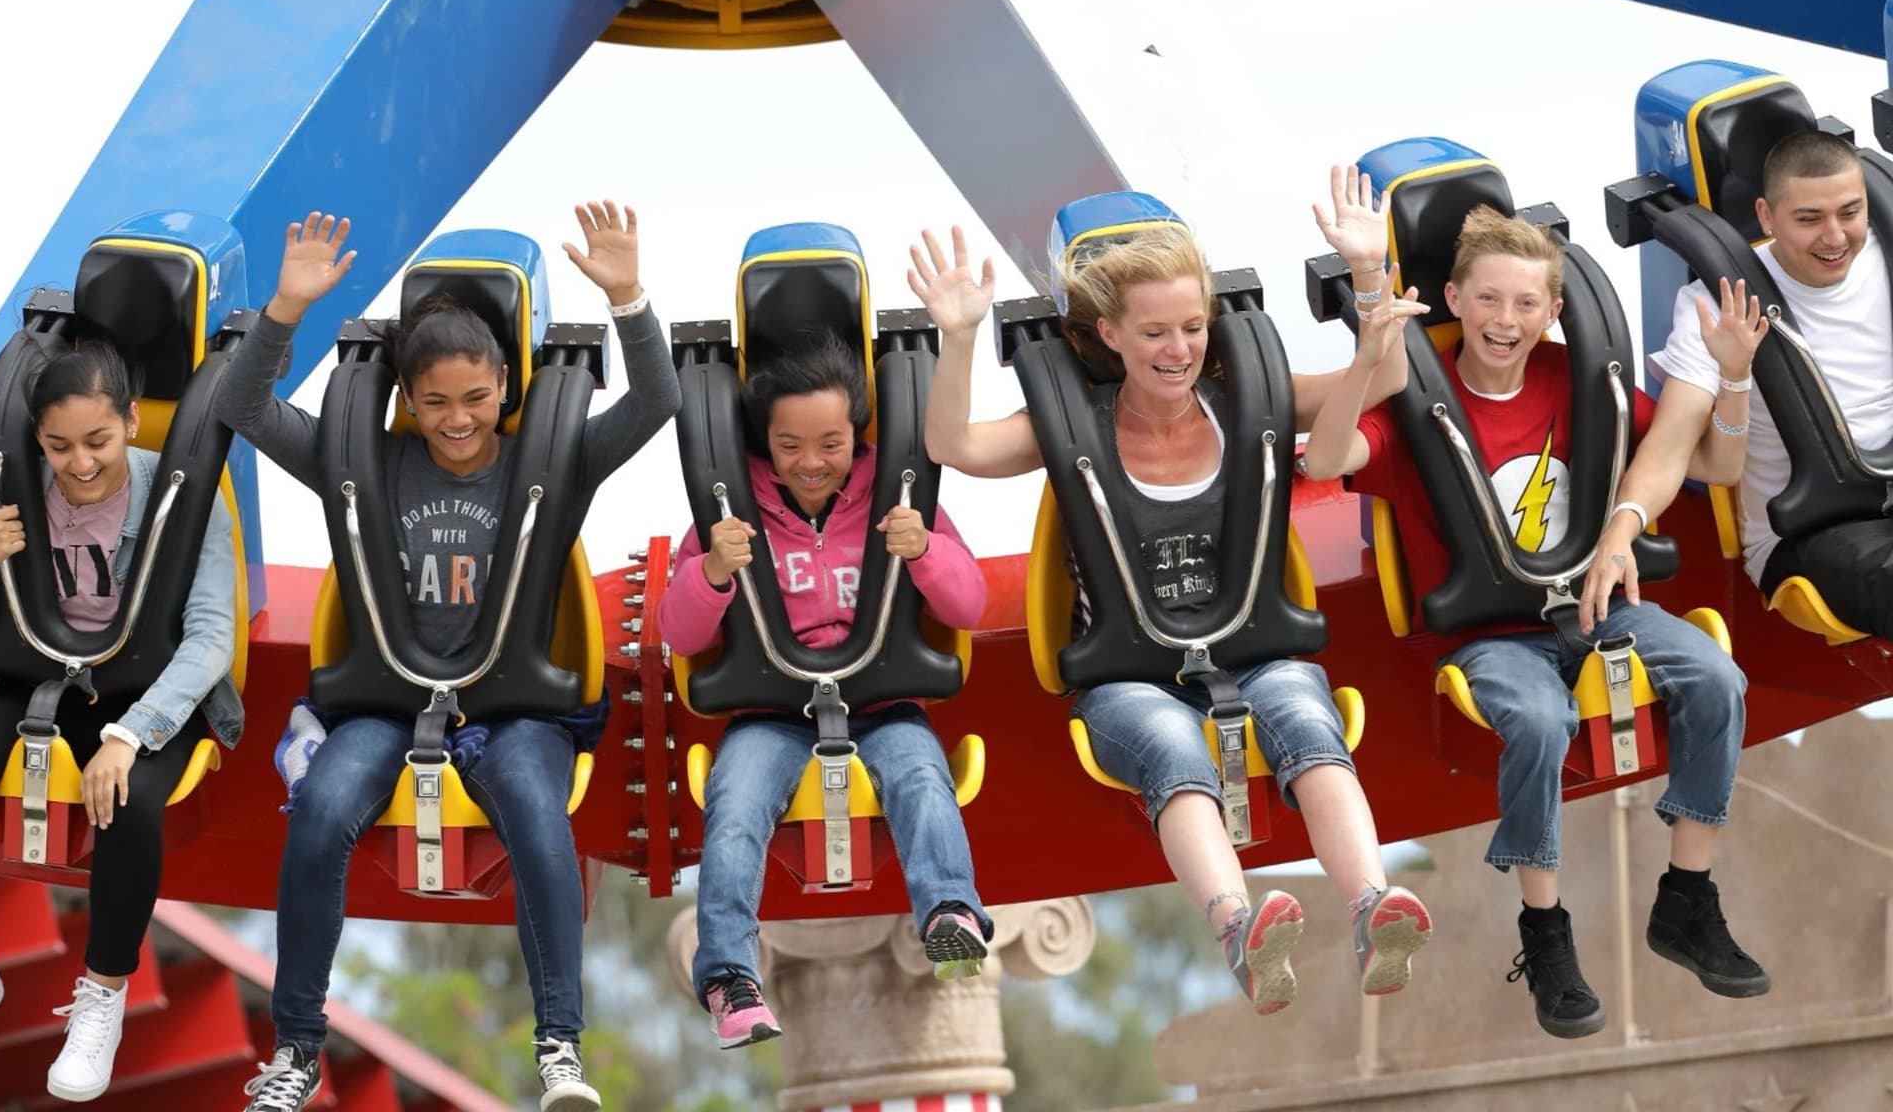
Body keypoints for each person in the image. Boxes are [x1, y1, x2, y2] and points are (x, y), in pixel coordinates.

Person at [907, 168, 1432, 1015]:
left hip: (1255, 653)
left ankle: (1374, 907)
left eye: (1192, 326)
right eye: (1154, 332)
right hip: (1127, 681)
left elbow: (1384, 382)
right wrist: (961, 337)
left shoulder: (1243, 401)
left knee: (1302, 712)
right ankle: (1238, 928)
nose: (1178, 348)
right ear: (1109, 331)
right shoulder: (1072, 422)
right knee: (1172, 744)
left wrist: (1370, 277)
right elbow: (956, 444)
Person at [215, 204, 678, 1112]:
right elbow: (240, 406)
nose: (457, 420)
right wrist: (286, 308)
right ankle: (298, 1049)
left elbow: (657, 403)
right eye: (434, 402)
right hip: (384, 704)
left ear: (505, 386)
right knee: (320, 815)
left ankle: (559, 1047)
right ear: (404, 400)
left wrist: (628, 297)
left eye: (475, 399)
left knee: (542, 821)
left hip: (515, 711)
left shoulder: (554, 460)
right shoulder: (367, 460)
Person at [1301, 202, 1771, 1039]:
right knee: (1540, 719)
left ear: (1555, 310)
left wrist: (1734, 377)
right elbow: (1329, 459)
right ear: (1452, 298)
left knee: (1716, 676)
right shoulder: (1418, 395)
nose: (1504, 321)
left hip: (1600, 607)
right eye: (1486, 301)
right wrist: (1374, 344)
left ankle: (1688, 899)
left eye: (1525, 304)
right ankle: (1545, 933)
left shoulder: (1580, 380)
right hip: (1490, 632)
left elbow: (1715, 465)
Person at [659, 332, 990, 1049]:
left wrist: (924, 551)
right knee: (735, 804)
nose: (811, 464)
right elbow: (678, 634)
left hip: (882, 703)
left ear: (859, 433)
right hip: (770, 713)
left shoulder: (899, 495)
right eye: (789, 446)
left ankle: (950, 915)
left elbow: (969, 606)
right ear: (764, 442)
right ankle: (728, 977)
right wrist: (713, 569)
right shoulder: (732, 507)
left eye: (831, 444)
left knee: (921, 777)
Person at [0, 340, 242, 1100]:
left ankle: (103, 995)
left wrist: (132, 734)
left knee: (126, 801)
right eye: (58, 447)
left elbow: (212, 637)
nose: (81, 464)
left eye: (98, 441)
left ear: (131, 420)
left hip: (145, 696)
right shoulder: (14, 494)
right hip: (37, 683)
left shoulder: (185, 497)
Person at [1646, 130, 1893, 636]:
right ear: (1765, 216)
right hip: (1810, 533)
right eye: (1808, 219)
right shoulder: (1715, 306)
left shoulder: (1882, 251)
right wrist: (1625, 525)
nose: (1835, 237)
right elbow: (1670, 445)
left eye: (1850, 213)